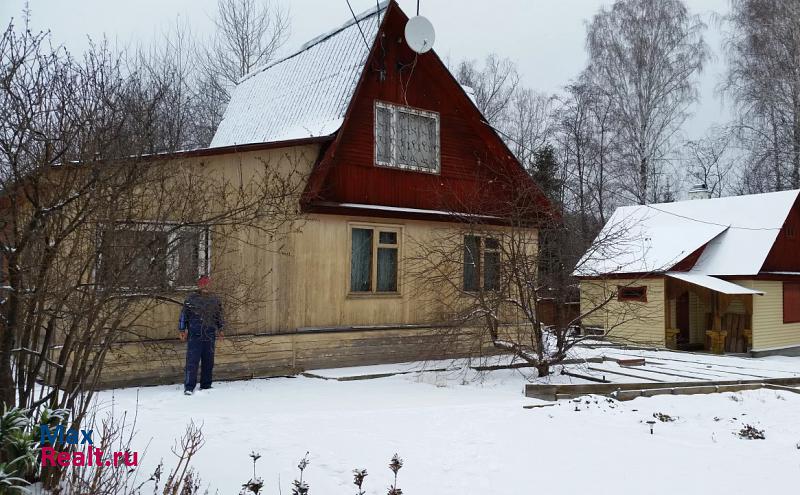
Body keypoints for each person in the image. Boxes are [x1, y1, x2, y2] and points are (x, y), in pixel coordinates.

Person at [179, 275, 224, 395]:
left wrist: (220, 329)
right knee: (192, 362)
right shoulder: (191, 299)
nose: (205, 286)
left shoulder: (214, 300)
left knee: (208, 361)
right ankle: (189, 387)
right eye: (202, 284)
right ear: (199, 285)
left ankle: (206, 384)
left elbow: (219, 316)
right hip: (195, 335)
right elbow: (184, 316)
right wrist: (182, 329)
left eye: (207, 284)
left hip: (209, 335)